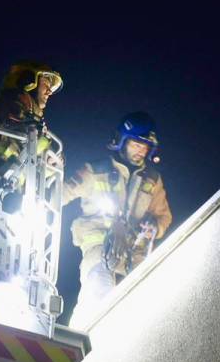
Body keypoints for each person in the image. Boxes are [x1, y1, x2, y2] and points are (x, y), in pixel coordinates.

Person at [64, 112, 172, 328]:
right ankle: (80, 342)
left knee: (137, 313)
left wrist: (154, 226)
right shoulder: (95, 171)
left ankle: (78, 340)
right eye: (136, 143)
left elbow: (164, 217)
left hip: (134, 257)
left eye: (145, 146)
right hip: (98, 248)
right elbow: (62, 192)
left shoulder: (152, 180)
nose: (141, 150)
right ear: (122, 141)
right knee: (99, 293)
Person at [0, 60, 63, 171]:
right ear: (29, 81)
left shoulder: (34, 114)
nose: (49, 92)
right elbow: (20, 130)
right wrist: (46, 145)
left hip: (6, 175)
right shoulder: (13, 99)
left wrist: (51, 163)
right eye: (46, 84)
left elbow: (29, 152)